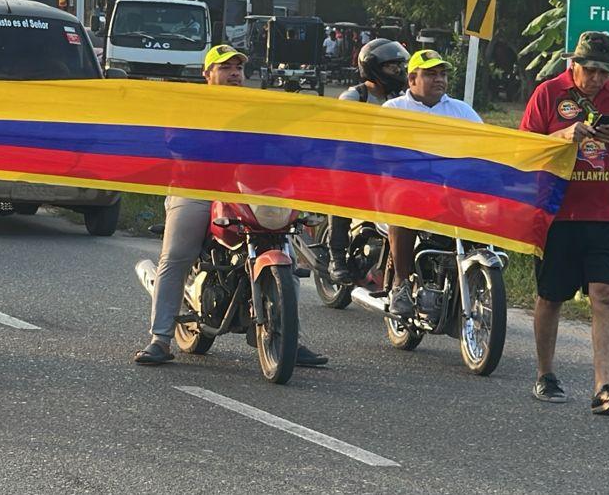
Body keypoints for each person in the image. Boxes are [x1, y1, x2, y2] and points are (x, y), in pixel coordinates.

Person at [134, 45, 329, 368]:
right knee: (178, 253)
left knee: (286, 251)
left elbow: (282, 142)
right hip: (195, 188)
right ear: (207, 73)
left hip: (248, 189)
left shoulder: (259, 106)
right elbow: (175, 142)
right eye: (225, 68)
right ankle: (160, 338)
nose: (234, 73)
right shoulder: (190, 106)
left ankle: (289, 337)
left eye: (238, 67)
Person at [520, 31, 609, 415]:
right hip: (558, 213)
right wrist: (562, 135)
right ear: (572, 64)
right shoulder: (547, 94)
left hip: (605, 215)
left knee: (605, 294)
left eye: (603, 72)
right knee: (551, 296)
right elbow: (524, 150)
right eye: (589, 70)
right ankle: (546, 373)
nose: (596, 79)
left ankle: (603, 387)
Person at [380, 50, 482, 318]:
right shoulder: (394, 110)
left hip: (450, 193)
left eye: (443, 74)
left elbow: (487, 146)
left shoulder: (462, 111)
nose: (439, 79)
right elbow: (378, 152)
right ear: (412, 79)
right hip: (404, 192)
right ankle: (401, 283)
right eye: (430, 74)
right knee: (404, 205)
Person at [322, 38, 411, 282]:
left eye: (401, 66)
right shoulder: (354, 96)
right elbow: (341, 132)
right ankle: (336, 257)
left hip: (391, 166)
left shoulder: (405, 99)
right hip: (355, 165)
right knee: (342, 195)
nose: (399, 71)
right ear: (373, 68)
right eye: (392, 67)